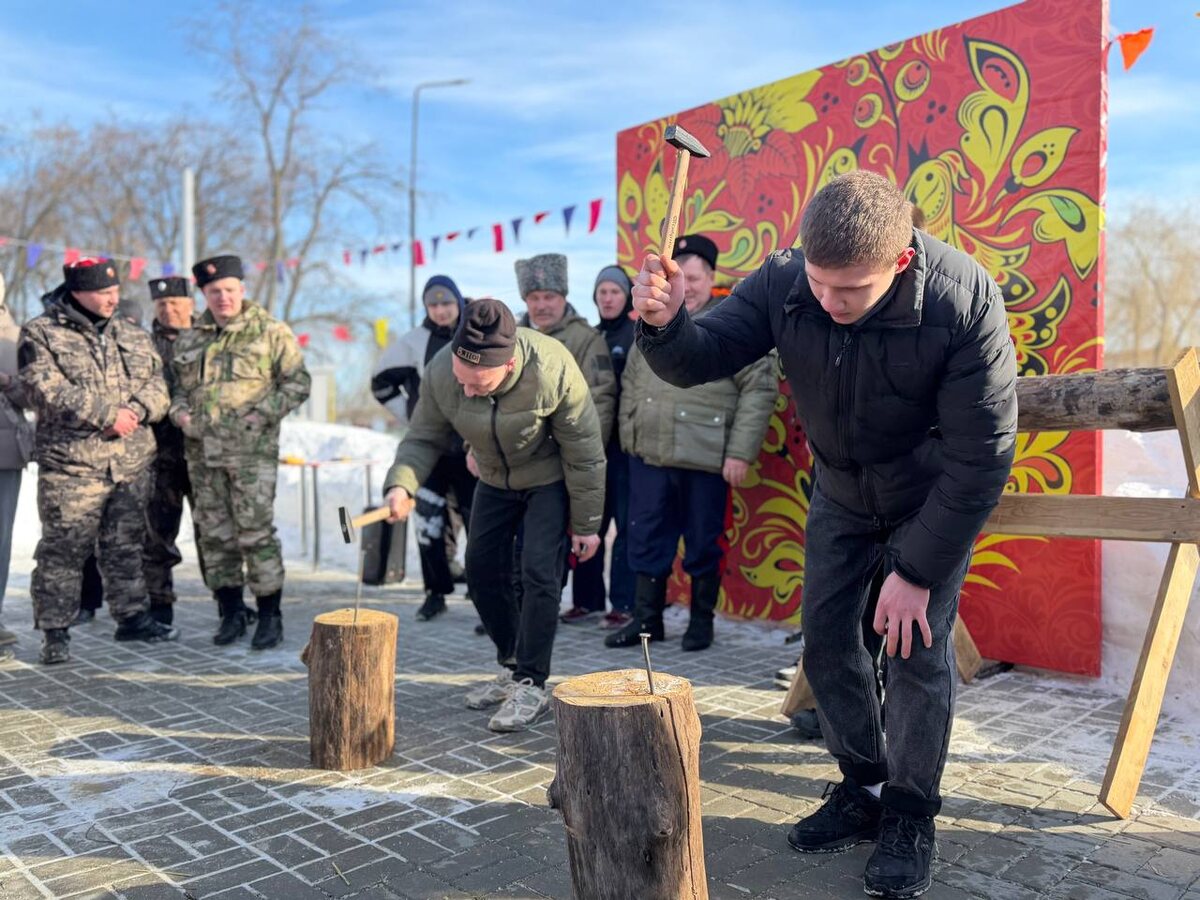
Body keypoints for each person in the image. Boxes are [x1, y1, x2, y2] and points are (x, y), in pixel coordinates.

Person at [631, 171, 1017, 898]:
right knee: (828, 639)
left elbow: (982, 458)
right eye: (819, 283)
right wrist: (663, 324)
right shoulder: (784, 281)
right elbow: (699, 359)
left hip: (926, 495)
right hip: (839, 490)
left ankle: (909, 812)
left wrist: (917, 570)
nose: (830, 304)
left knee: (914, 650)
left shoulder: (965, 299)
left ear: (900, 262)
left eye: (851, 291)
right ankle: (862, 785)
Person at [382, 299, 606, 732]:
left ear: (506, 367)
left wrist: (587, 524)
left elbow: (585, 453)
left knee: (539, 572)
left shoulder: (552, 367)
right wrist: (400, 484)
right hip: (493, 477)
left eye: (476, 384)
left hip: (547, 478)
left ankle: (532, 681)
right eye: (461, 382)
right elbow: (423, 436)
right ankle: (510, 661)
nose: (465, 391)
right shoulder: (444, 369)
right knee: (480, 569)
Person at [607, 234, 776, 653]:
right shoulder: (650, 319)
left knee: (703, 541)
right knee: (646, 536)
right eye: (681, 277)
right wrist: (630, 438)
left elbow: (759, 388)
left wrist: (740, 452)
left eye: (695, 278)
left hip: (707, 457)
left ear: (711, 278)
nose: (689, 286)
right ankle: (647, 622)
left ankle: (700, 623)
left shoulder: (734, 320)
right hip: (649, 454)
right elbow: (632, 382)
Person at [19, 258, 178, 664]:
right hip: (72, 465)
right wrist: (108, 415)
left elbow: (158, 387)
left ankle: (131, 617)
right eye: (103, 293)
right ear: (76, 292)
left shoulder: (133, 334)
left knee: (125, 544)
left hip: (129, 462)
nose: (113, 299)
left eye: (115, 292)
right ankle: (56, 630)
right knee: (64, 549)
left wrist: (138, 412)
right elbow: (42, 386)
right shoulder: (41, 332)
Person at [169, 254, 311, 649]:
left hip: (251, 456)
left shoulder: (270, 332)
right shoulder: (190, 337)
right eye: (214, 292)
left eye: (229, 290)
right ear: (203, 294)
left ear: (242, 290)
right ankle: (230, 612)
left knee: (256, 535)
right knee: (215, 537)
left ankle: (269, 614)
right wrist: (180, 415)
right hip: (202, 456)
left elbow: (298, 383)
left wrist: (259, 415)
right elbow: (176, 390)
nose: (223, 298)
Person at [513, 253, 616, 623]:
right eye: (534, 298)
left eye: (549, 297)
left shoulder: (586, 340)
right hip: (517, 464)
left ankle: (547, 609)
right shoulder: (508, 338)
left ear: (563, 297)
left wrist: (582, 451)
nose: (541, 306)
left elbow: (600, 401)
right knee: (516, 543)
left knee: (551, 544)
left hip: (563, 461)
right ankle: (516, 607)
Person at [372, 275, 477, 622]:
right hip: (431, 450)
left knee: (478, 521)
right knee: (430, 524)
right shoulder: (414, 342)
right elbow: (381, 383)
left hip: (472, 448)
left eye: (447, 303)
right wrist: (411, 416)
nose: (441, 310)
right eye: (433, 305)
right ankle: (435, 592)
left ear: (459, 302)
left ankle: (482, 592)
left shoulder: (476, 333)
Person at [570, 265, 637, 629]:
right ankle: (586, 599)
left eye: (614, 291)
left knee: (625, 526)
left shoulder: (637, 335)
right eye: (602, 293)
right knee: (588, 521)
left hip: (624, 449)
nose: (608, 298)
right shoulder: (590, 337)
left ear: (626, 294)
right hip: (591, 448)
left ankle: (622, 603)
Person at [143, 276, 200, 625]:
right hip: (160, 456)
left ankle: (231, 604)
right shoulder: (144, 345)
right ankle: (159, 604)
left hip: (203, 453)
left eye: (177, 302)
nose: (169, 309)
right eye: (162, 304)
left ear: (191, 304)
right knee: (157, 535)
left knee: (213, 534)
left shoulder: (208, 340)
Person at [0, 272, 33, 658]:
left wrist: (9, 382)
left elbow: (35, 392)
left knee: (1, 539)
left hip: (4, 449)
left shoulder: (18, 335)